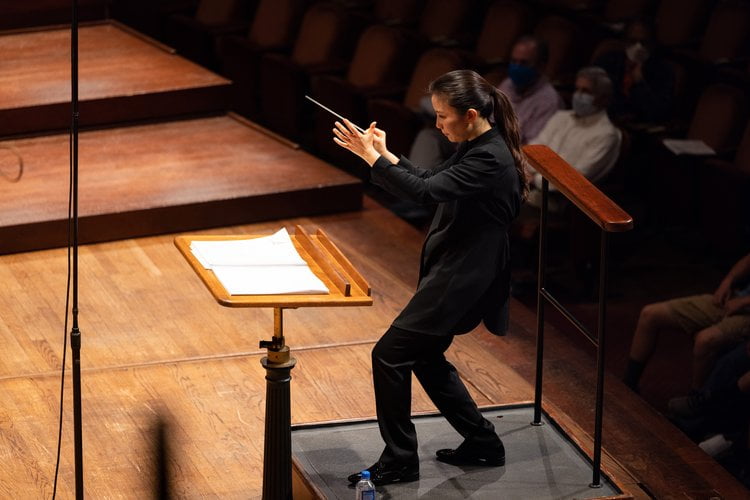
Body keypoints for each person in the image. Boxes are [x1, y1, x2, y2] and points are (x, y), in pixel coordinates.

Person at [331, 69, 527, 486]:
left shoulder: (490, 157)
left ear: (470, 114)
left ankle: (401, 459)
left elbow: (424, 194)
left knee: (390, 354)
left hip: (465, 275)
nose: (437, 124)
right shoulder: (477, 144)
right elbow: (430, 181)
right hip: (459, 268)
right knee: (423, 356)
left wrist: (371, 159)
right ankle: (483, 443)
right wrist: (385, 156)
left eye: (442, 116)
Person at [409, 36, 562, 168]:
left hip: (499, 158)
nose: (516, 67)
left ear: (541, 66)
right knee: (429, 137)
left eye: (524, 63)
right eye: (514, 61)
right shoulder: (508, 84)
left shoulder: (548, 101)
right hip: (473, 142)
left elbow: (527, 150)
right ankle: (412, 195)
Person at [623, 252, 750, 392]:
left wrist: (743, 302)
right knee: (650, 314)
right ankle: (628, 386)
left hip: (745, 310)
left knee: (705, 340)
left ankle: (696, 402)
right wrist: (728, 280)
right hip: (735, 298)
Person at [527, 66, 621, 211]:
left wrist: (535, 179)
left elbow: (576, 179)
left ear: (603, 98)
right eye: (577, 89)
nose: (578, 95)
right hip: (531, 184)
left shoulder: (607, 135)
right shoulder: (561, 117)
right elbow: (533, 149)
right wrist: (524, 171)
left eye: (586, 91)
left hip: (562, 202)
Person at [593, 19, 675, 125]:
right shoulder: (607, 61)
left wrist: (639, 83)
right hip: (603, 120)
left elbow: (658, 113)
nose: (638, 47)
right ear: (624, 42)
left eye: (644, 42)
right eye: (633, 41)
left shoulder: (664, 71)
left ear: (653, 44)